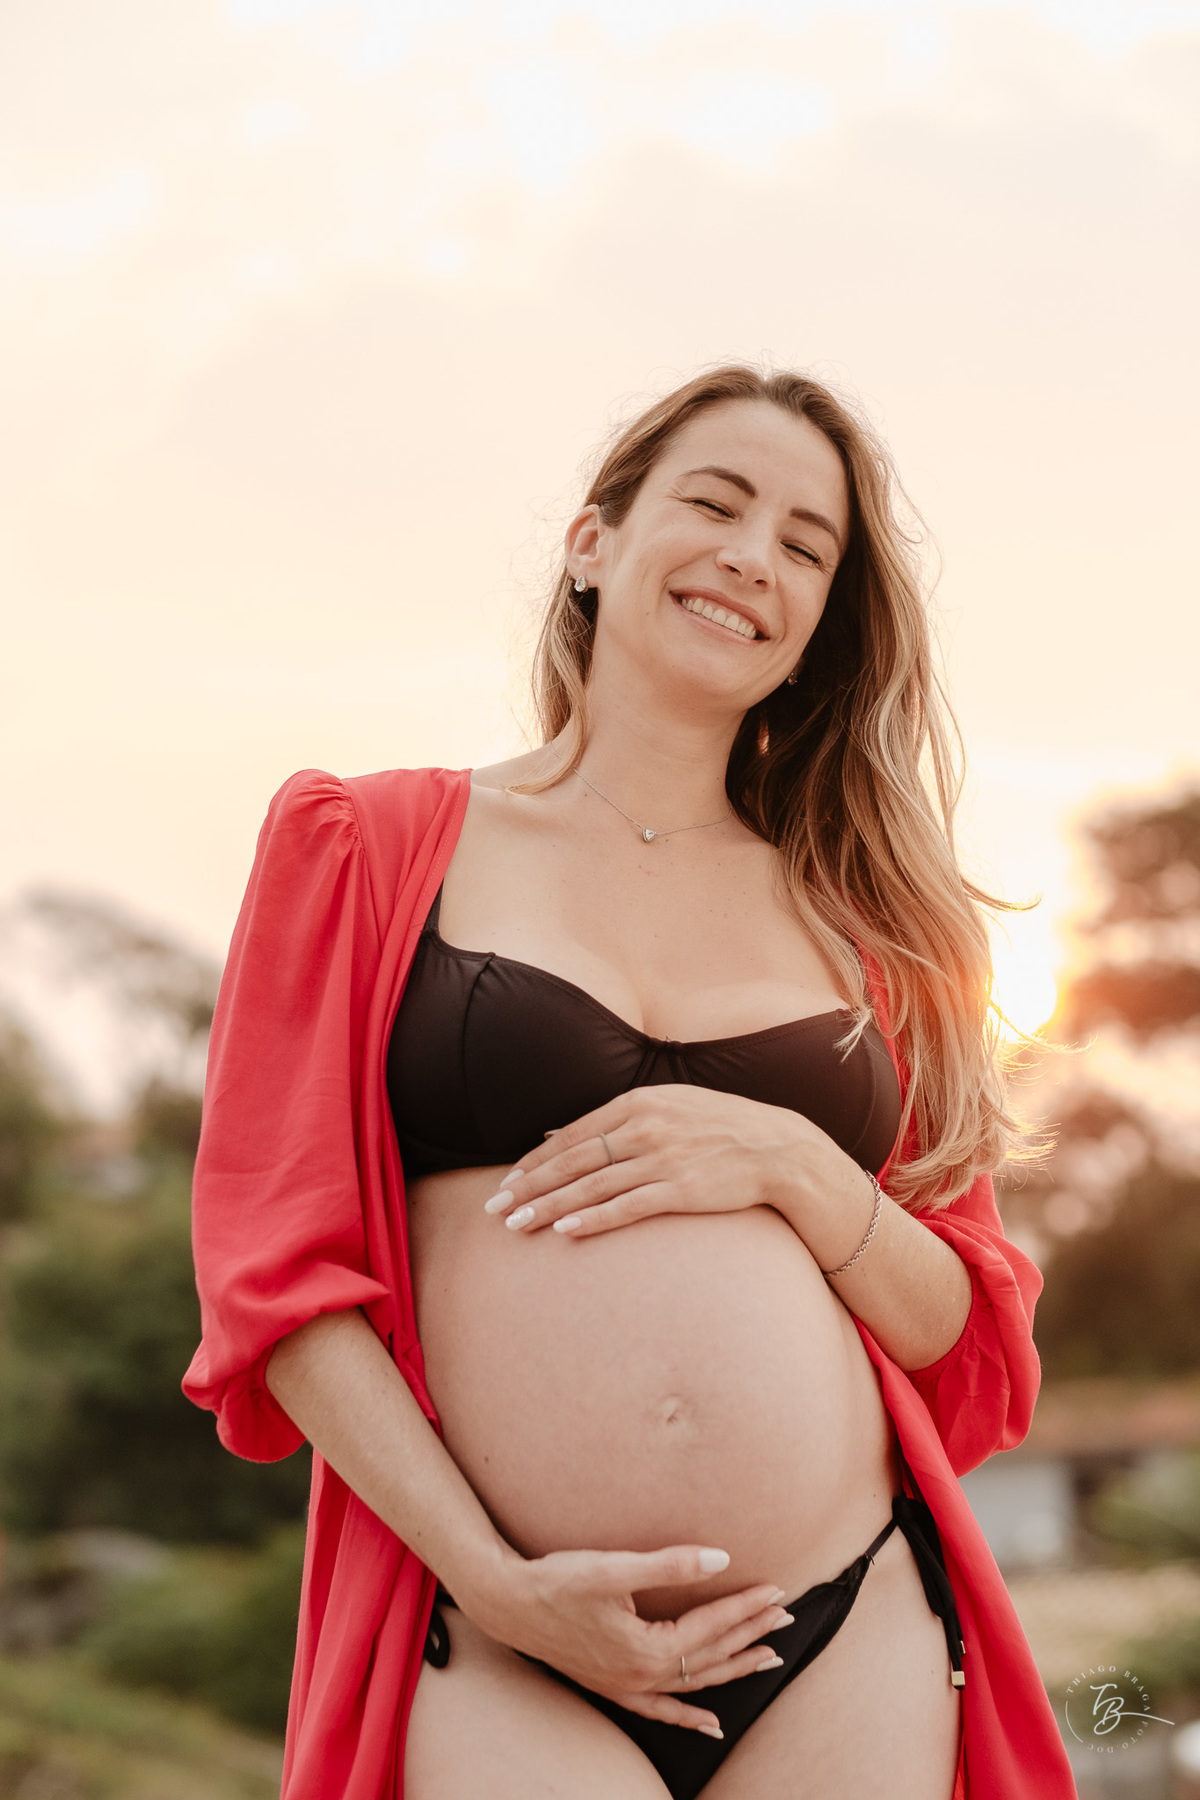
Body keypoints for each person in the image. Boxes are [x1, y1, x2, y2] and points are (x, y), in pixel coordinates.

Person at [183, 366, 1078, 1799]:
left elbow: (953, 1327)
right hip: (503, 1626)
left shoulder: (878, 929)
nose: (753, 557)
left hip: (845, 1628)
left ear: (821, 623)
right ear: (592, 542)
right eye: (715, 505)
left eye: (805, 546)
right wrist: (494, 1581)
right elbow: (275, 1282)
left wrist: (793, 1165)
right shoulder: (367, 844)